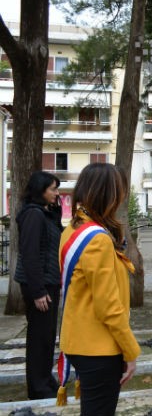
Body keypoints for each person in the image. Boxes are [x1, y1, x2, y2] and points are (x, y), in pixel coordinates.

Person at [57, 163, 140, 415]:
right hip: (98, 347)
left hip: (79, 340)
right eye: (119, 192)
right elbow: (108, 307)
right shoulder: (97, 239)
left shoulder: (74, 228)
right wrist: (131, 350)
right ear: (109, 194)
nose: (121, 198)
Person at [14, 171, 63, 399]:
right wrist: (38, 291)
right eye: (52, 189)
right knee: (38, 337)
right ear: (40, 190)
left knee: (47, 335)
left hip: (49, 281)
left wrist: (56, 211)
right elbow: (30, 255)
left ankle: (45, 380)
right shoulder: (32, 215)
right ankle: (38, 387)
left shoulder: (44, 214)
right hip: (39, 285)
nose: (56, 193)